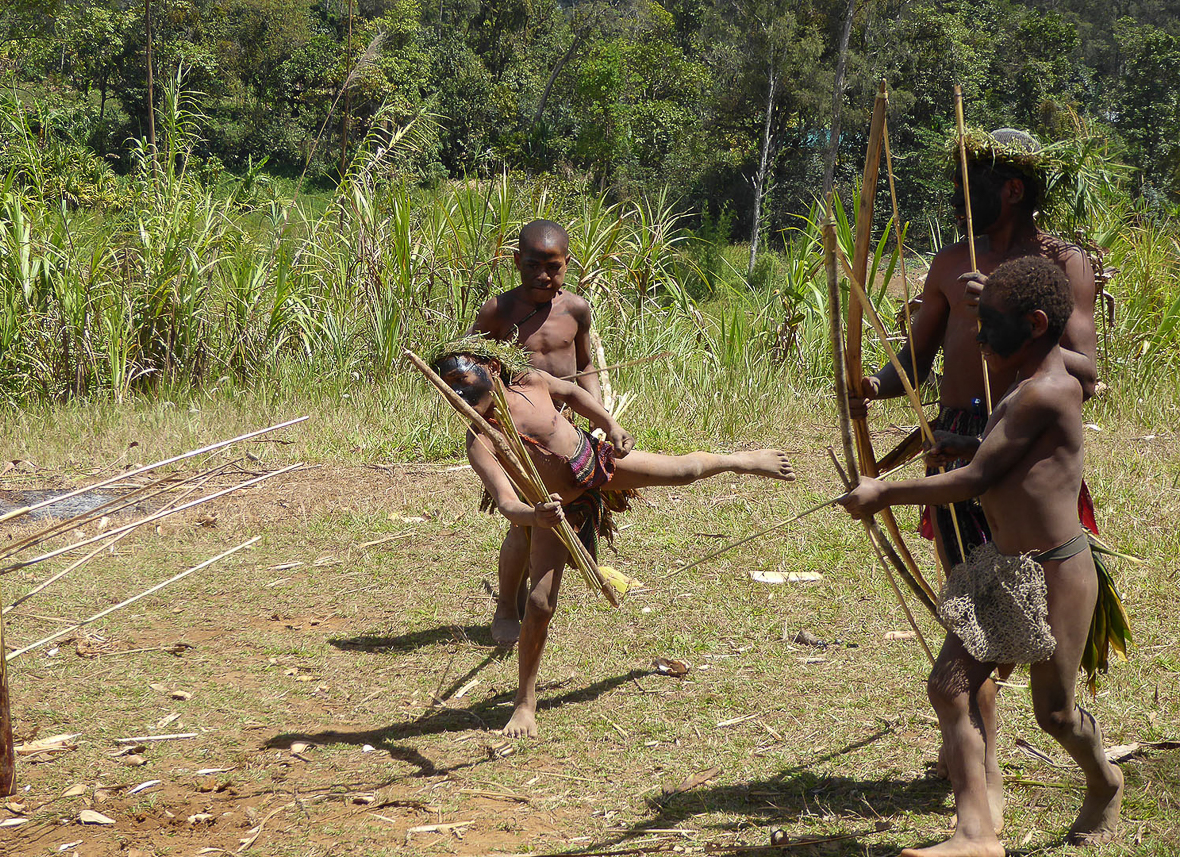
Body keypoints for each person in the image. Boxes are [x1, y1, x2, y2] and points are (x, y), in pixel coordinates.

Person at [841, 257, 1122, 856]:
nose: (977, 334)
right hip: (1003, 571)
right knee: (948, 688)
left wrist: (884, 490)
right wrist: (967, 440)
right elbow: (1004, 456)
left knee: (1056, 716)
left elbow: (975, 481)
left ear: (1037, 323)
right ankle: (974, 834)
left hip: (1055, 576)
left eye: (990, 322)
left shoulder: (1044, 392)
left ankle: (1105, 782)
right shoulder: (1026, 387)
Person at [850, 128, 1101, 781]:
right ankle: (974, 752)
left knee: (1021, 589)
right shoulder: (947, 259)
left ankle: (1023, 730)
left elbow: (1083, 368)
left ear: (1012, 189)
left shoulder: (1061, 262)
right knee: (969, 591)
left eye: (974, 184)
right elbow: (916, 354)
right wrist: (873, 384)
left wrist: (1000, 309)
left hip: (1020, 448)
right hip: (957, 438)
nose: (958, 198)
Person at [431, 339, 794, 738]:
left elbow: (571, 392)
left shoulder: (532, 381)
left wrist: (611, 424)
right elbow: (505, 502)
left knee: (685, 471)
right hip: (554, 510)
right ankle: (524, 701)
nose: (459, 395)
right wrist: (535, 516)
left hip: (595, 464)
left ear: (493, 368)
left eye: (462, 380)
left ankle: (740, 461)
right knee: (539, 604)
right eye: (448, 389)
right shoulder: (481, 442)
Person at [471, 219, 601, 646]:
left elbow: (585, 366)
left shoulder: (576, 309)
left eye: (555, 267)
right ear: (515, 262)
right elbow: (469, 376)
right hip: (519, 435)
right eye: (533, 266)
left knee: (563, 515)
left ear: (568, 265)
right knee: (522, 525)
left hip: (565, 430)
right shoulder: (497, 312)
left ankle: (536, 596)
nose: (544, 276)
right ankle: (508, 605)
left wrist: (598, 415)